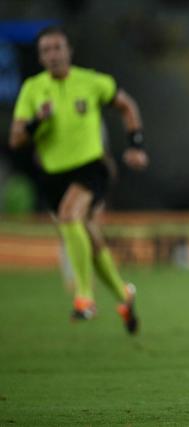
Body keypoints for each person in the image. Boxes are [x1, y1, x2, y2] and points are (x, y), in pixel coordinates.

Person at [9, 26, 149, 333]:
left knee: (70, 215)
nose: (53, 54)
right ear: (40, 56)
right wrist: (36, 122)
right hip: (52, 176)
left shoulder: (92, 81)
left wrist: (135, 145)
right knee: (85, 230)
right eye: (46, 50)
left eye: (58, 47)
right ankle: (123, 294)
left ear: (69, 50)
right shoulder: (33, 89)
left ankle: (84, 298)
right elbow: (16, 139)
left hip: (91, 167)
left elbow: (127, 106)